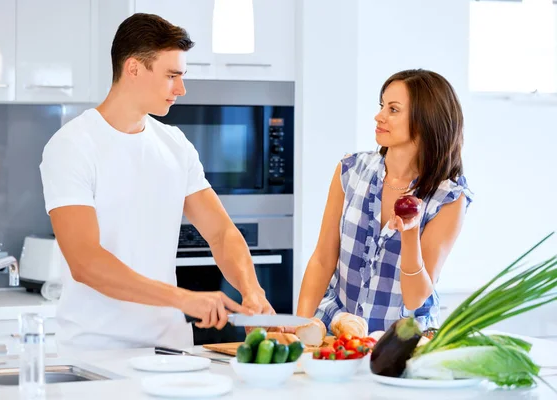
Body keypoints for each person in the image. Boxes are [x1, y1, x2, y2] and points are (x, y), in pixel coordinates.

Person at [39, 13, 273, 351]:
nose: (181, 88)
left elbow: (221, 234)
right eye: (172, 76)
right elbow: (85, 261)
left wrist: (252, 290)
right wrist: (184, 299)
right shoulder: (72, 146)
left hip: (170, 350)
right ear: (133, 68)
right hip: (96, 352)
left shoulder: (175, 144)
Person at [295, 69, 473, 333]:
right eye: (382, 106)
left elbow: (415, 298)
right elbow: (322, 259)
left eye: (393, 109)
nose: (379, 116)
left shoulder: (447, 197)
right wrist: (302, 327)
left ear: (426, 120)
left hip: (402, 343)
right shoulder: (351, 170)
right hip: (336, 330)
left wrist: (410, 235)